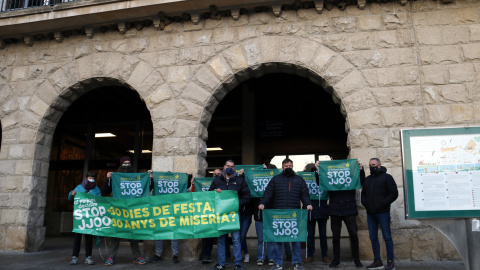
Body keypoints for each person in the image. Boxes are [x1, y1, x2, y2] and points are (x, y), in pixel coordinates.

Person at [259, 158, 313, 270]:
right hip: (279, 214)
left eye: (290, 166)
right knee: (278, 240)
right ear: (282, 167)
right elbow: (268, 193)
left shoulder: (299, 180)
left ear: (292, 166)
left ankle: (297, 263)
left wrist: (307, 204)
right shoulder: (275, 179)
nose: (288, 167)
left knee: (296, 239)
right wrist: (263, 203)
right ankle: (278, 263)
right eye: (286, 166)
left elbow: (305, 194)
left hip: (295, 214)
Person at [102, 156, 146, 266]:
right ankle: (111, 257)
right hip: (118, 210)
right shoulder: (115, 177)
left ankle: (137, 256)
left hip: (131, 210)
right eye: (124, 163)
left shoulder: (137, 177)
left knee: (133, 234)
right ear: (121, 164)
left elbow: (146, 188)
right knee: (116, 234)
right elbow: (105, 191)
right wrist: (108, 179)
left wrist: (149, 178)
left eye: (128, 163)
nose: (127, 165)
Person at [209, 160, 251, 270]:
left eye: (232, 167)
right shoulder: (217, 180)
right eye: (228, 166)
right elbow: (209, 195)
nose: (230, 168)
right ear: (224, 167)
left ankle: (237, 263)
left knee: (236, 239)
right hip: (221, 214)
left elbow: (247, 196)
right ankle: (221, 264)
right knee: (221, 239)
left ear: (234, 168)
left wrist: (236, 204)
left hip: (234, 213)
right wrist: (215, 192)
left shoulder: (240, 180)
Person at [362, 158, 398, 270]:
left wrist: (383, 203)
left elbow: (393, 193)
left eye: (373, 164)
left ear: (379, 165)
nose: (371, 166)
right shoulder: (367, 180)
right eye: (369, 165)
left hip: (383, 213)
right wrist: (367, 204)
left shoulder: (387, 178)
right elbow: (363, 195)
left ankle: (390, 261)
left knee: (387, 237)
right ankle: (377, 261)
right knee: (373, 237)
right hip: (370, 213)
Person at [327, 160, 363, 268]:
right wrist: (318, 170)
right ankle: (336, 260)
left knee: (353, 235)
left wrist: (360, 169)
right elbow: (321, 182)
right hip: (334, 210)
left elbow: (361, 181)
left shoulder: (351, 176)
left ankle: (357, 259)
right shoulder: (330, 178)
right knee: (335, 237)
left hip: (349, 209)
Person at [68, 171, 102, 265]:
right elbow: (71, 198)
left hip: (90, 216)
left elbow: (100, 200)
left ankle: (88, 257)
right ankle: (74, 257)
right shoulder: (79, 187)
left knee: (88, 237)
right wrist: (72, 194)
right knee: (77, 237)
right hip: (80, 216)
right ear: (86, 178)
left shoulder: (96, 189)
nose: (91, 179)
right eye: (90, 177)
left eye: (93, 178)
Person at [304, 162, 330, 264]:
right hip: (310, 210)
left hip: (322, 209)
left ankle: (325, 255)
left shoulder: (324, 180)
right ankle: (311, 255)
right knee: (310, 234)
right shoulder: (305, 181)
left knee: (323, 234)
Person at [201, 168, 222, 264]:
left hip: (222, 212)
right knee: (209, 234)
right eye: (214, 174)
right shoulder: (210, 184)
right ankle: (206, 254)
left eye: (218, 174)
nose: (216, 175)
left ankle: (225, 256)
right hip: (210, 212)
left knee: (223, 235)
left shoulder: (225, 182)